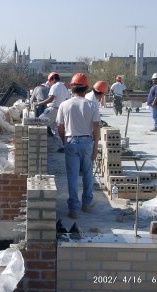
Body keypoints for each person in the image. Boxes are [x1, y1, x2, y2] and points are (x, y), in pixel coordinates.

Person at [56, 73, 100, 219]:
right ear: (86, 88)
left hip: (71, 142)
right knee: (87, 174)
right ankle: (86, 204)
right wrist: (95, 148)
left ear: (71, 87)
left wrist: (64, 141)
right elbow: (96, 128)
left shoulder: (64, 105)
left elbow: (60, 128)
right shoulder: (91, 105)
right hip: (87, 142)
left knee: (73, 176)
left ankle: (73, 208)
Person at [37, 72, 71, 152]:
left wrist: (39, 103)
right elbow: (67, 99)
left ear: (52, 79)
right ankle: (62, 146)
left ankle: (37, 145)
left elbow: (51, 99)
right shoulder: (63, 86)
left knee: (38, 121)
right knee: (55, 129)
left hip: (53, 109)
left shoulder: (55, 86)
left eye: (50, 81)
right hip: (61, 110)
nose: (50, 83)